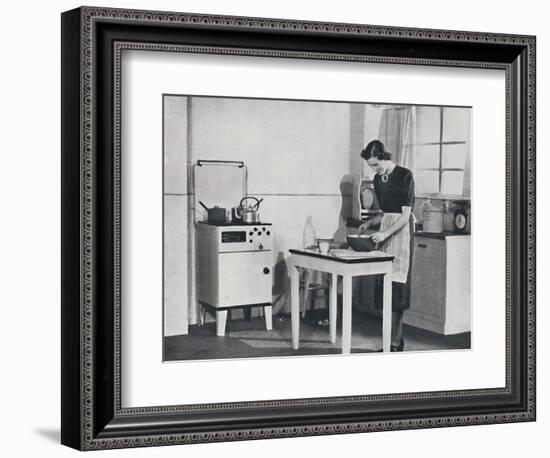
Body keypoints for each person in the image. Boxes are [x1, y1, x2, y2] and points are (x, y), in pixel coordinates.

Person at [358, 140, 415, 352]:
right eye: (371, 166)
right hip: (385, 230)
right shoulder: (377, 179)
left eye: (375, 164)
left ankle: (395, 342)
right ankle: (387, 342)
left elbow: (404, 215)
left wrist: (384, 234)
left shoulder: (404, 175)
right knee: (385, 285)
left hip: (401, 231)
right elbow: (384, 212)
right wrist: (369, 223)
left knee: (397, 286)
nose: (374, 169)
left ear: (384, 156)